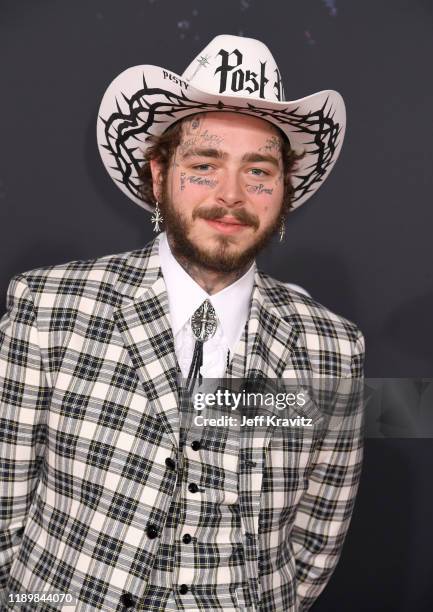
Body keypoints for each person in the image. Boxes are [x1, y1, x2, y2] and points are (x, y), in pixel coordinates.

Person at [0, 34, 364, 611]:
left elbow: (320, 529)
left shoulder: (332, 347)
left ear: (284, 190)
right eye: (204, 164)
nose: (232, 195)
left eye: (260, 170)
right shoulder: (49, 307)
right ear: (158, 173)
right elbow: (4, 498)